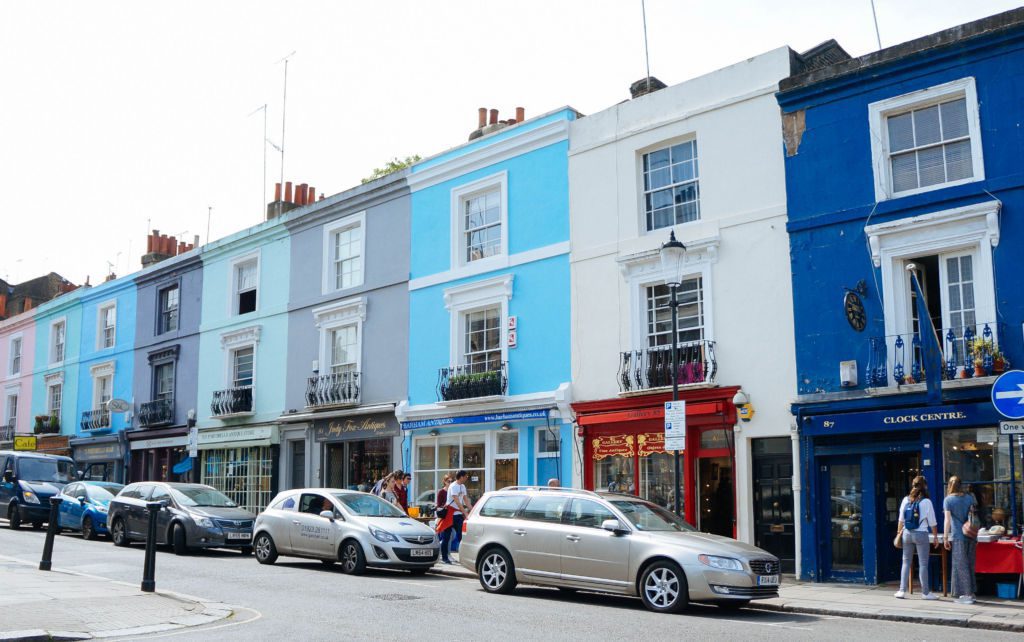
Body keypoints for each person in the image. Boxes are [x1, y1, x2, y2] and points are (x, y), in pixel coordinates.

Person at [894, 476, 939, 600]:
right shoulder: (926, 502)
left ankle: (901, 591)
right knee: (923, 564)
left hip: (907, 534)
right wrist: (935, 537)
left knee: (906, 562)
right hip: (921, 534)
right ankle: (925, 593)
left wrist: (899, 533)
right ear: (924, 486)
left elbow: (901, 520)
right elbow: (933, 522)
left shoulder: (905, 500)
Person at [944, 475, 978, 604]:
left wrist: (946, 537)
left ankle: (967, 595)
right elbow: (974, 514)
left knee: (960, 565)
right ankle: (972, 592)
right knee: (970, 563)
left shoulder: (948, 500)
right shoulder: (969, 498)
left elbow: (947, 520)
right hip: (971, 534)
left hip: (958, 535)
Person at [447, 470, 473, 555]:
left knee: (461, 534)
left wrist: (472, 511)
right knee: (448, 536)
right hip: (450, 513)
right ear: (461, 477)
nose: (466, 478)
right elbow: (457, 502)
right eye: (466, 476)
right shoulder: (453, 486)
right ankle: (446, 555)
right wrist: (465, 513)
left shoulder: (462, 486)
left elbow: (466, 500)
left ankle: (461, 553)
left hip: (458, 514)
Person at [435, 475, 454, 564]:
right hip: (445, 516)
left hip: (453, 515)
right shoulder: (441, 492)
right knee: (446, 537)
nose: (450, 483)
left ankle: (446, 553)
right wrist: (445, 506)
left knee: (452, 536)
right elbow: (439, 505)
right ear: (444, 482)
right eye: (448, 481)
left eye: (451, 481)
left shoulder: (452, 491)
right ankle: (444, 556)